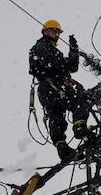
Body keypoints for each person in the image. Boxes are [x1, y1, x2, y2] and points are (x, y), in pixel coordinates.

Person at [29, 19, 90, 163]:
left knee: (56, 115)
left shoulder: (49, 49)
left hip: (49, 89)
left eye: (57, 32)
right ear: (45, 31)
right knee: (77, 101)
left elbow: (70, 66)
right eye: (53, 31)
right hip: (52, 87)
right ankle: (79, 127)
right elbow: (58, 64)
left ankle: (62, 146)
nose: (56, 34)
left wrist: (73, 51)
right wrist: (70, 59)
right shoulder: (40, 47)